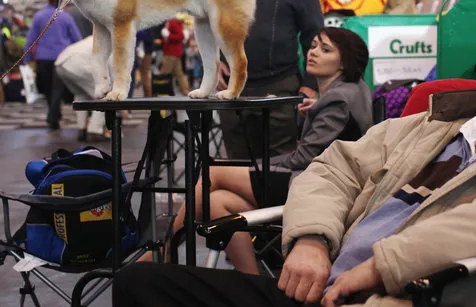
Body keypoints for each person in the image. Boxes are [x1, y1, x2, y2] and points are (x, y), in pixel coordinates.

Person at [115, 33, 476, 307]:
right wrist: (310, 239)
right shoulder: (426, 122)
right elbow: (331, 168)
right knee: (141, 286)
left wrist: (383, 265)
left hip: (405, 301)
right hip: (320, 285)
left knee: (216, 187)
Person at [138, 27, 373, 268]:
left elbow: (305, 157)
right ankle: (253, 282)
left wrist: (254, 167)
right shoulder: (347, 92)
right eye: (313, 46)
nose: (312, 53)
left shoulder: (337, 100)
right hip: (316, 182)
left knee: (213, 173)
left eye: (325, 50)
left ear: (344, 62)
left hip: (316, 189)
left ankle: (166, 251)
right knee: (218, 202)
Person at [217, 0, 323, 160]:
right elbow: (207, 23)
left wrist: (310, 85)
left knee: (279, 167)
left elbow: (314, 35)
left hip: (280, 88)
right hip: (232, 89)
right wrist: (212, 60)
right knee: (237, 164)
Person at [24, 0, 82, 130]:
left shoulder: (39, 16)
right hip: (61, 59)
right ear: (61, 1)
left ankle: (53, 116)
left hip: (42, 58)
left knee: (47, 88)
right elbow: (77, 38)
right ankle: (54, 116)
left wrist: (26, 59)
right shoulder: (66, 17)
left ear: (48, 0)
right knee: (57, 89)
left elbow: (31, 39)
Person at [55, 36, 108, 141]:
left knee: (81, 95)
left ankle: (81, 129)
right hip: (78, 64)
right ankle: (94, 130)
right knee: (103, 96)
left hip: (61, 63)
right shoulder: (112, 41)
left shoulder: (99, 35)